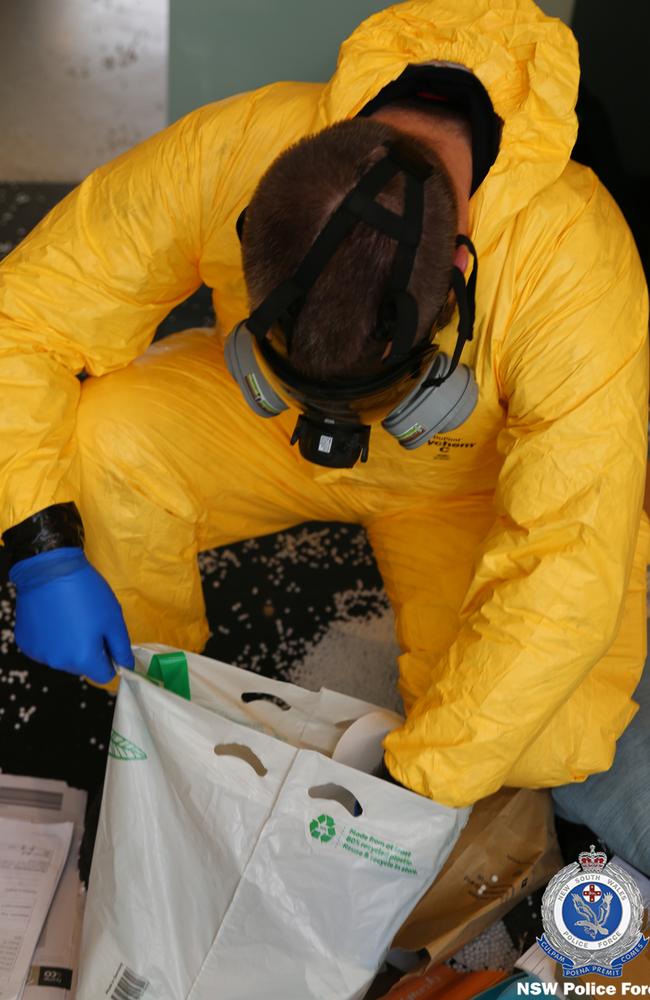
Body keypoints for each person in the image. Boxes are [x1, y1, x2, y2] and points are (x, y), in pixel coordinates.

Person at [1, 0, 648, 870]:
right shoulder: (232, 150)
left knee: (545, 734)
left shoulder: (572, 256)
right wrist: (41, 545)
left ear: (462, 268)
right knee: (105, 439)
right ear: (253, 216)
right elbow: (26, 315)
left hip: (459, 484)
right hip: (264, 437)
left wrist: (418, 781)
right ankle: (164, 704)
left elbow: (567, 552)